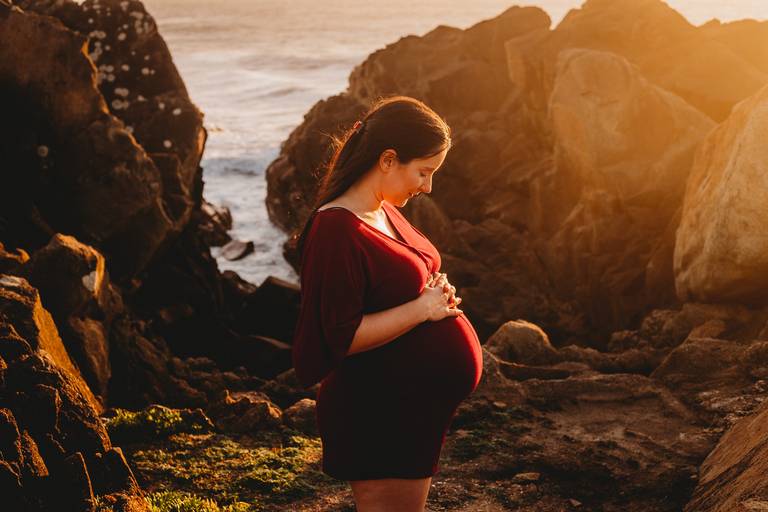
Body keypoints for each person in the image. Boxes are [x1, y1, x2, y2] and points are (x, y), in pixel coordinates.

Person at [291, 95, 483, 512]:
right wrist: (423, 309)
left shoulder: (381, 209)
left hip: (409, 408)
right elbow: (339, 337)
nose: (428, 187)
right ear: (388, 159)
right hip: (378, 414)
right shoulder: (335, 229)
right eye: (424, 172)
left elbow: (394, 280)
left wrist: (431, 291)